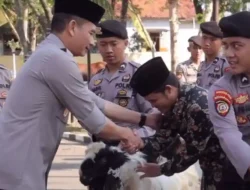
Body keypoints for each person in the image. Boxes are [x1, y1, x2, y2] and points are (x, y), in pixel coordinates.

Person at [0, 1, 159, 190]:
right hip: (19, 165)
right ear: (73, 27)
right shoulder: (55, 59)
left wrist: (144, 119)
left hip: (21, 162)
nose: (92, 42)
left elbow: (96, 102)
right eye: (91, 34)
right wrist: (127, 134)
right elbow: (94, 120)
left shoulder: (51, 55)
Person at [121, 56, 238, 190]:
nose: (154, 106)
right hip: (211, 170)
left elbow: (191, 152)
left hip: (232, 172)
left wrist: (161, 169)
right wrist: (139, 142)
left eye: (154, 100)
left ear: (168, 90)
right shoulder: (175, 103)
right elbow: (163, 138)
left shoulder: (198, 106)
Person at [89, 19, 155, 146]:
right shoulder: (95, 81)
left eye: (114, 44)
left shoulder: (139, 74)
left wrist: (136, 138)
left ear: (126, 43)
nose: (108, 50)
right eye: (103, 44)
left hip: (133, 147)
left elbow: (153, 116)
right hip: (103, 148)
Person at [208, 11, 250, 189]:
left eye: (236, 46)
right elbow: (228, 134)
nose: (229, 53)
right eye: (226, 46)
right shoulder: (222, 89)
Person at [197, 21, 230, 89]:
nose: (207, 43)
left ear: (222, 42)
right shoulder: (202, 65)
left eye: (212, 39)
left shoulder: (225, 64)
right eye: (204, 38)